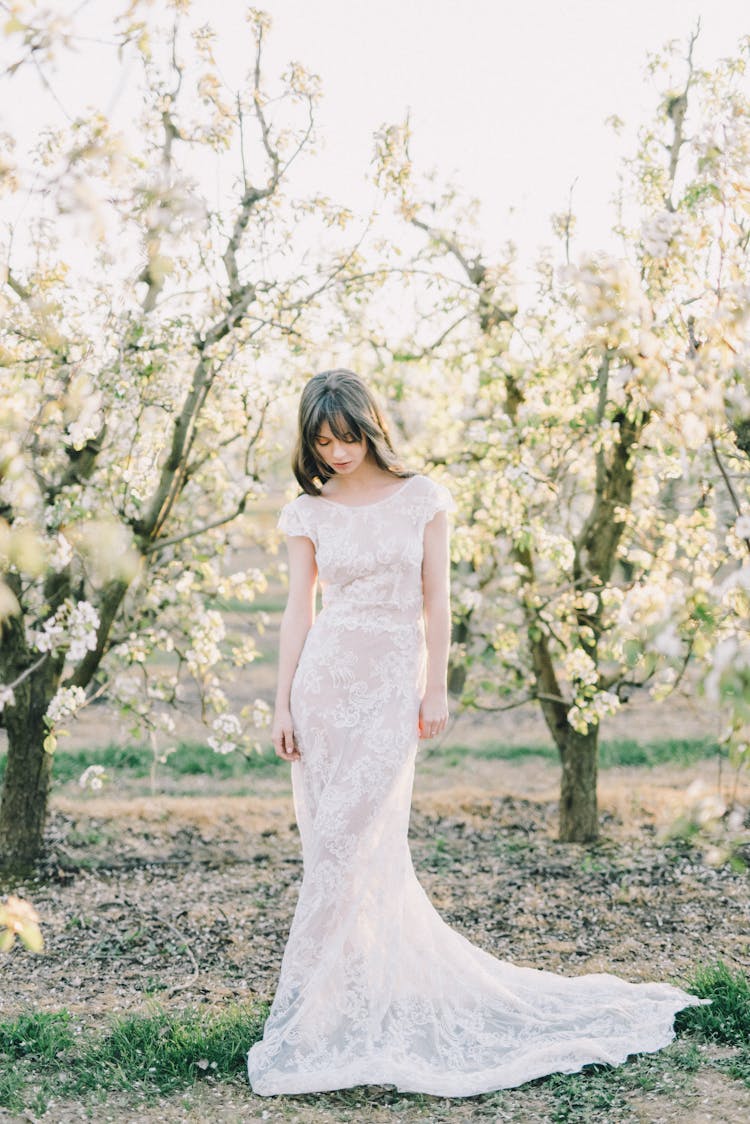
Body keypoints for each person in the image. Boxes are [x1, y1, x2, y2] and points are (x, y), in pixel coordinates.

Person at [246, 368, 705, 1098]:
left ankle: (316, 1010)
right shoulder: (310, 513)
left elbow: (438, 600)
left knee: (354, 842)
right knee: (331, 846)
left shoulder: (423, 498)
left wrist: (434, 687)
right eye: (324, 441)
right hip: (325, 687)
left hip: (392, 683)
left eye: (349, 437)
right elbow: (299, 611)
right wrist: (281, 705)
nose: (338, 452)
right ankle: (334, 1004)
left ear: (373, 427)